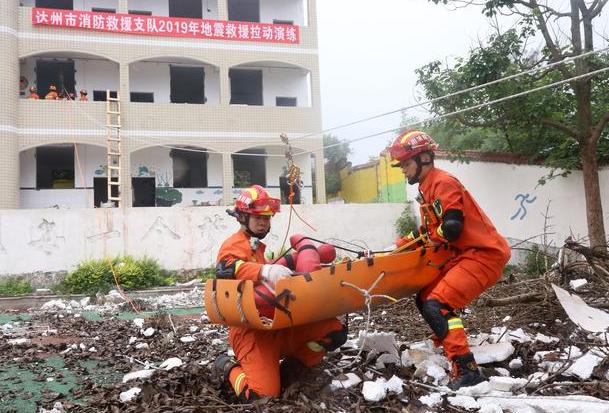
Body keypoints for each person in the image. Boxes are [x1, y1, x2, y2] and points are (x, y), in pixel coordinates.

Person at [389, 130, 511, 390]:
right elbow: (427, 232)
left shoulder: (442, 182)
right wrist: (395, 248)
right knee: (425, 296)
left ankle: (466, 368)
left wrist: (432, 237)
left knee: (437, 304)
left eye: (406, 164)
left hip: (484, 255)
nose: (403, 170)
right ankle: (447, 343)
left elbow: (452, 228)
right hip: (467, 255)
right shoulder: (427, 187)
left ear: (424, 158)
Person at [213, 185, 347, 401]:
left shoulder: (257, 247)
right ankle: (227, 368)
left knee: (334, 332)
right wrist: (263, 271)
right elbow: (225, 268)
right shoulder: (234, 244)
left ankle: (291, 369)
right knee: (260, 396)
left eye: (267, 217)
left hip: (277, 324)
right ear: (242, 217)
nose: (263, 222)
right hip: (250, 333)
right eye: (257, 217)